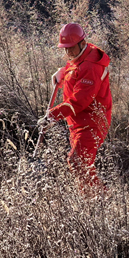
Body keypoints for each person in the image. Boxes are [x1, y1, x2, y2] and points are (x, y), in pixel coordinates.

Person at [38, 23, 112, 191]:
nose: (68, 52)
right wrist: (63, 71)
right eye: (65, 49)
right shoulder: (82, 55)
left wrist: (53, 115)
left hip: (92, 123)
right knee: (83, 165)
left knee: (78, 162)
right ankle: (97, 197)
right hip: (78, 123)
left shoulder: (91, 66)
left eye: (71, 48)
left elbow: (79, 101)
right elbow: (75, 67)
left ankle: (97, 199)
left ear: (82, 43)